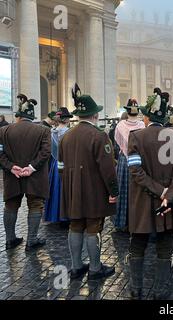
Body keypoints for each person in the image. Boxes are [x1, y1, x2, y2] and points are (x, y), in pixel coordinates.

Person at [127, 91, 173, 300]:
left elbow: (135, 171)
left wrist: (157, 190)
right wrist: (167, 193)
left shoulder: (135, 137)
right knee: (165, 244)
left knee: (138, 243)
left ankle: (136, 289)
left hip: (142, 200)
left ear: (146, 117)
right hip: (169, 202)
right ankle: (160, 292)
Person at [59, 84, 118, 281]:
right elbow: (108, 168)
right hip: (94, 191)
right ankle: (94, 268)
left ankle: (76, 267)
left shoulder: (66, 136)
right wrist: (113, 191)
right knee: (94, 227)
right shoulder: (99, 136)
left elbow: (60, 167)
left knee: (75, 225)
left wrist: (69, 185)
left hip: (72, 190)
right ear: (94, 116)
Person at [0, 94, 51, 251]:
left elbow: (0, 154)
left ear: (18, 116)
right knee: (35, 204)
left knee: (11, 205)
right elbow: (46, 152)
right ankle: (32, 240)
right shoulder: (43, 130)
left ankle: (10, 240)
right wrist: (31, 167)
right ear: (32, 115)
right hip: (35, 176)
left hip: (12, 175)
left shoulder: (3, 131)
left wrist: (11, 167)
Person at [113, 99, 145, 232]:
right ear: (138, 112)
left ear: (127, 111)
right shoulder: (143, 125)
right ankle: (137, 221)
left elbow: (117, 145)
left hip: (124, 161)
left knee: (123, 189)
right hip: (138, 160)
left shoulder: (120, 125)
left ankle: (122, 221)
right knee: (138, 190)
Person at [44, 107, 73, 224]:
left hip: (55, 163)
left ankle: (54, 214)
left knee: (55, 188)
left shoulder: (52, 132)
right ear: (66, 120)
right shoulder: (69, 132)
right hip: (67, 163)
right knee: (66, 187)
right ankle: (67, 215)